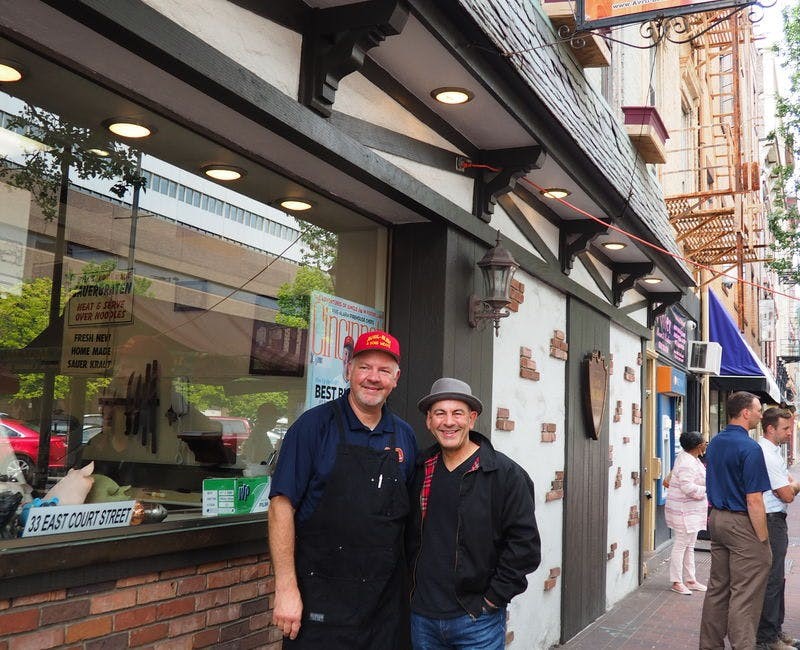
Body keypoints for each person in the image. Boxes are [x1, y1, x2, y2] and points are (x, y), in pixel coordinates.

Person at [268, 330, 418, 649]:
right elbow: (281, 506)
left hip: (385, 607)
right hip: (320, 600)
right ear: (348, 369)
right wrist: (285, 588)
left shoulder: (405, 436)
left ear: (396, 378)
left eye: (384, 370)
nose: (373, 378)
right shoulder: (312, 428)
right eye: (365, 367)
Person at [407, 377, 540, 650]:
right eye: (440, 413)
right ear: (429, 421)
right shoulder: (420, 469)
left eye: (458, 413)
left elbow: (524, 546)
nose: (449, 422)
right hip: (423, 617)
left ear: (472, 418)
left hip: (476, 620)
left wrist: (492, 599)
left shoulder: (504, 474)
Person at [700, 391, 772, 650]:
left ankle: (709, 645)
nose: (760, 415)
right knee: (746, 593)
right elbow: (754, 500)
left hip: (716, 519)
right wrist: (763, 540)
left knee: (718, 588)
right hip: (741, 522)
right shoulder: (750, 448)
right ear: (745, 413)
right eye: (757, 410)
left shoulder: (716, 442)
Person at [756, 407, 800, 650]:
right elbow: (786, 493)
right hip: (771, 519)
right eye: (785, 428)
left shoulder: (773, 452)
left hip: (775, 519)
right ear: (770, 428)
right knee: (773, 578)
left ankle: (775, 630)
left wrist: (790, 485)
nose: (789, 433)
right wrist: (795, 485)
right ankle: (767, 637)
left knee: (778, 577)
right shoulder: (768, 455)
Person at [664, 431, 708, 595]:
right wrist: (708, 489)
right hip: (683, 511)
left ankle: (690, 580)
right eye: (704, 442)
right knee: (681, 545)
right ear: (698, 446)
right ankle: (676, 581)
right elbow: (687, 487)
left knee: (689, 546)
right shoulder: (687, 463)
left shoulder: (692, 458)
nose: (706, 444)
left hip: (691, 511)